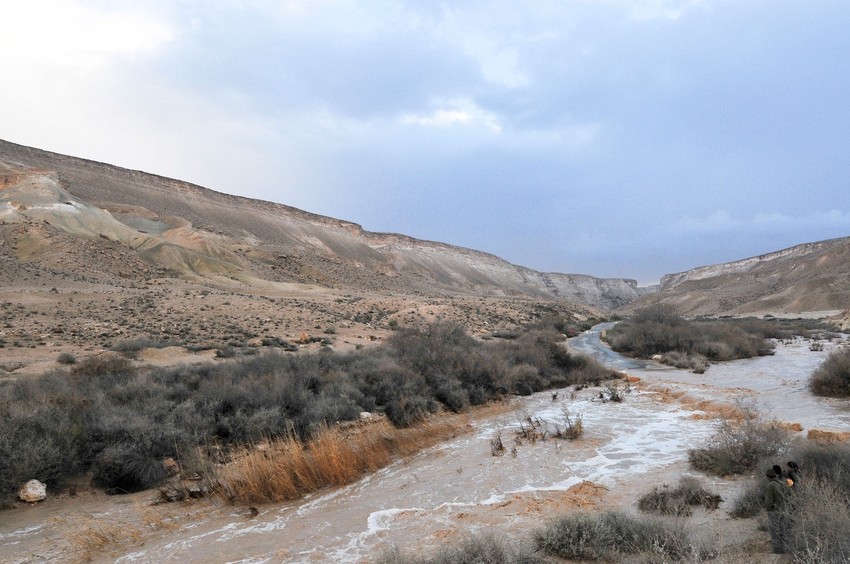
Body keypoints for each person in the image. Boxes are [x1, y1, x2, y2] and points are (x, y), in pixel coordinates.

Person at [763, 467, 791, 553]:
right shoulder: (783, 483)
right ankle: (784, 548)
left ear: (768, 477)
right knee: (783, 530)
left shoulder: (770, 485)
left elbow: (768, 501)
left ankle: (776, 550)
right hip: (785, 510)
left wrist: (768, 509)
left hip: (775, 511)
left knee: (774, 531)